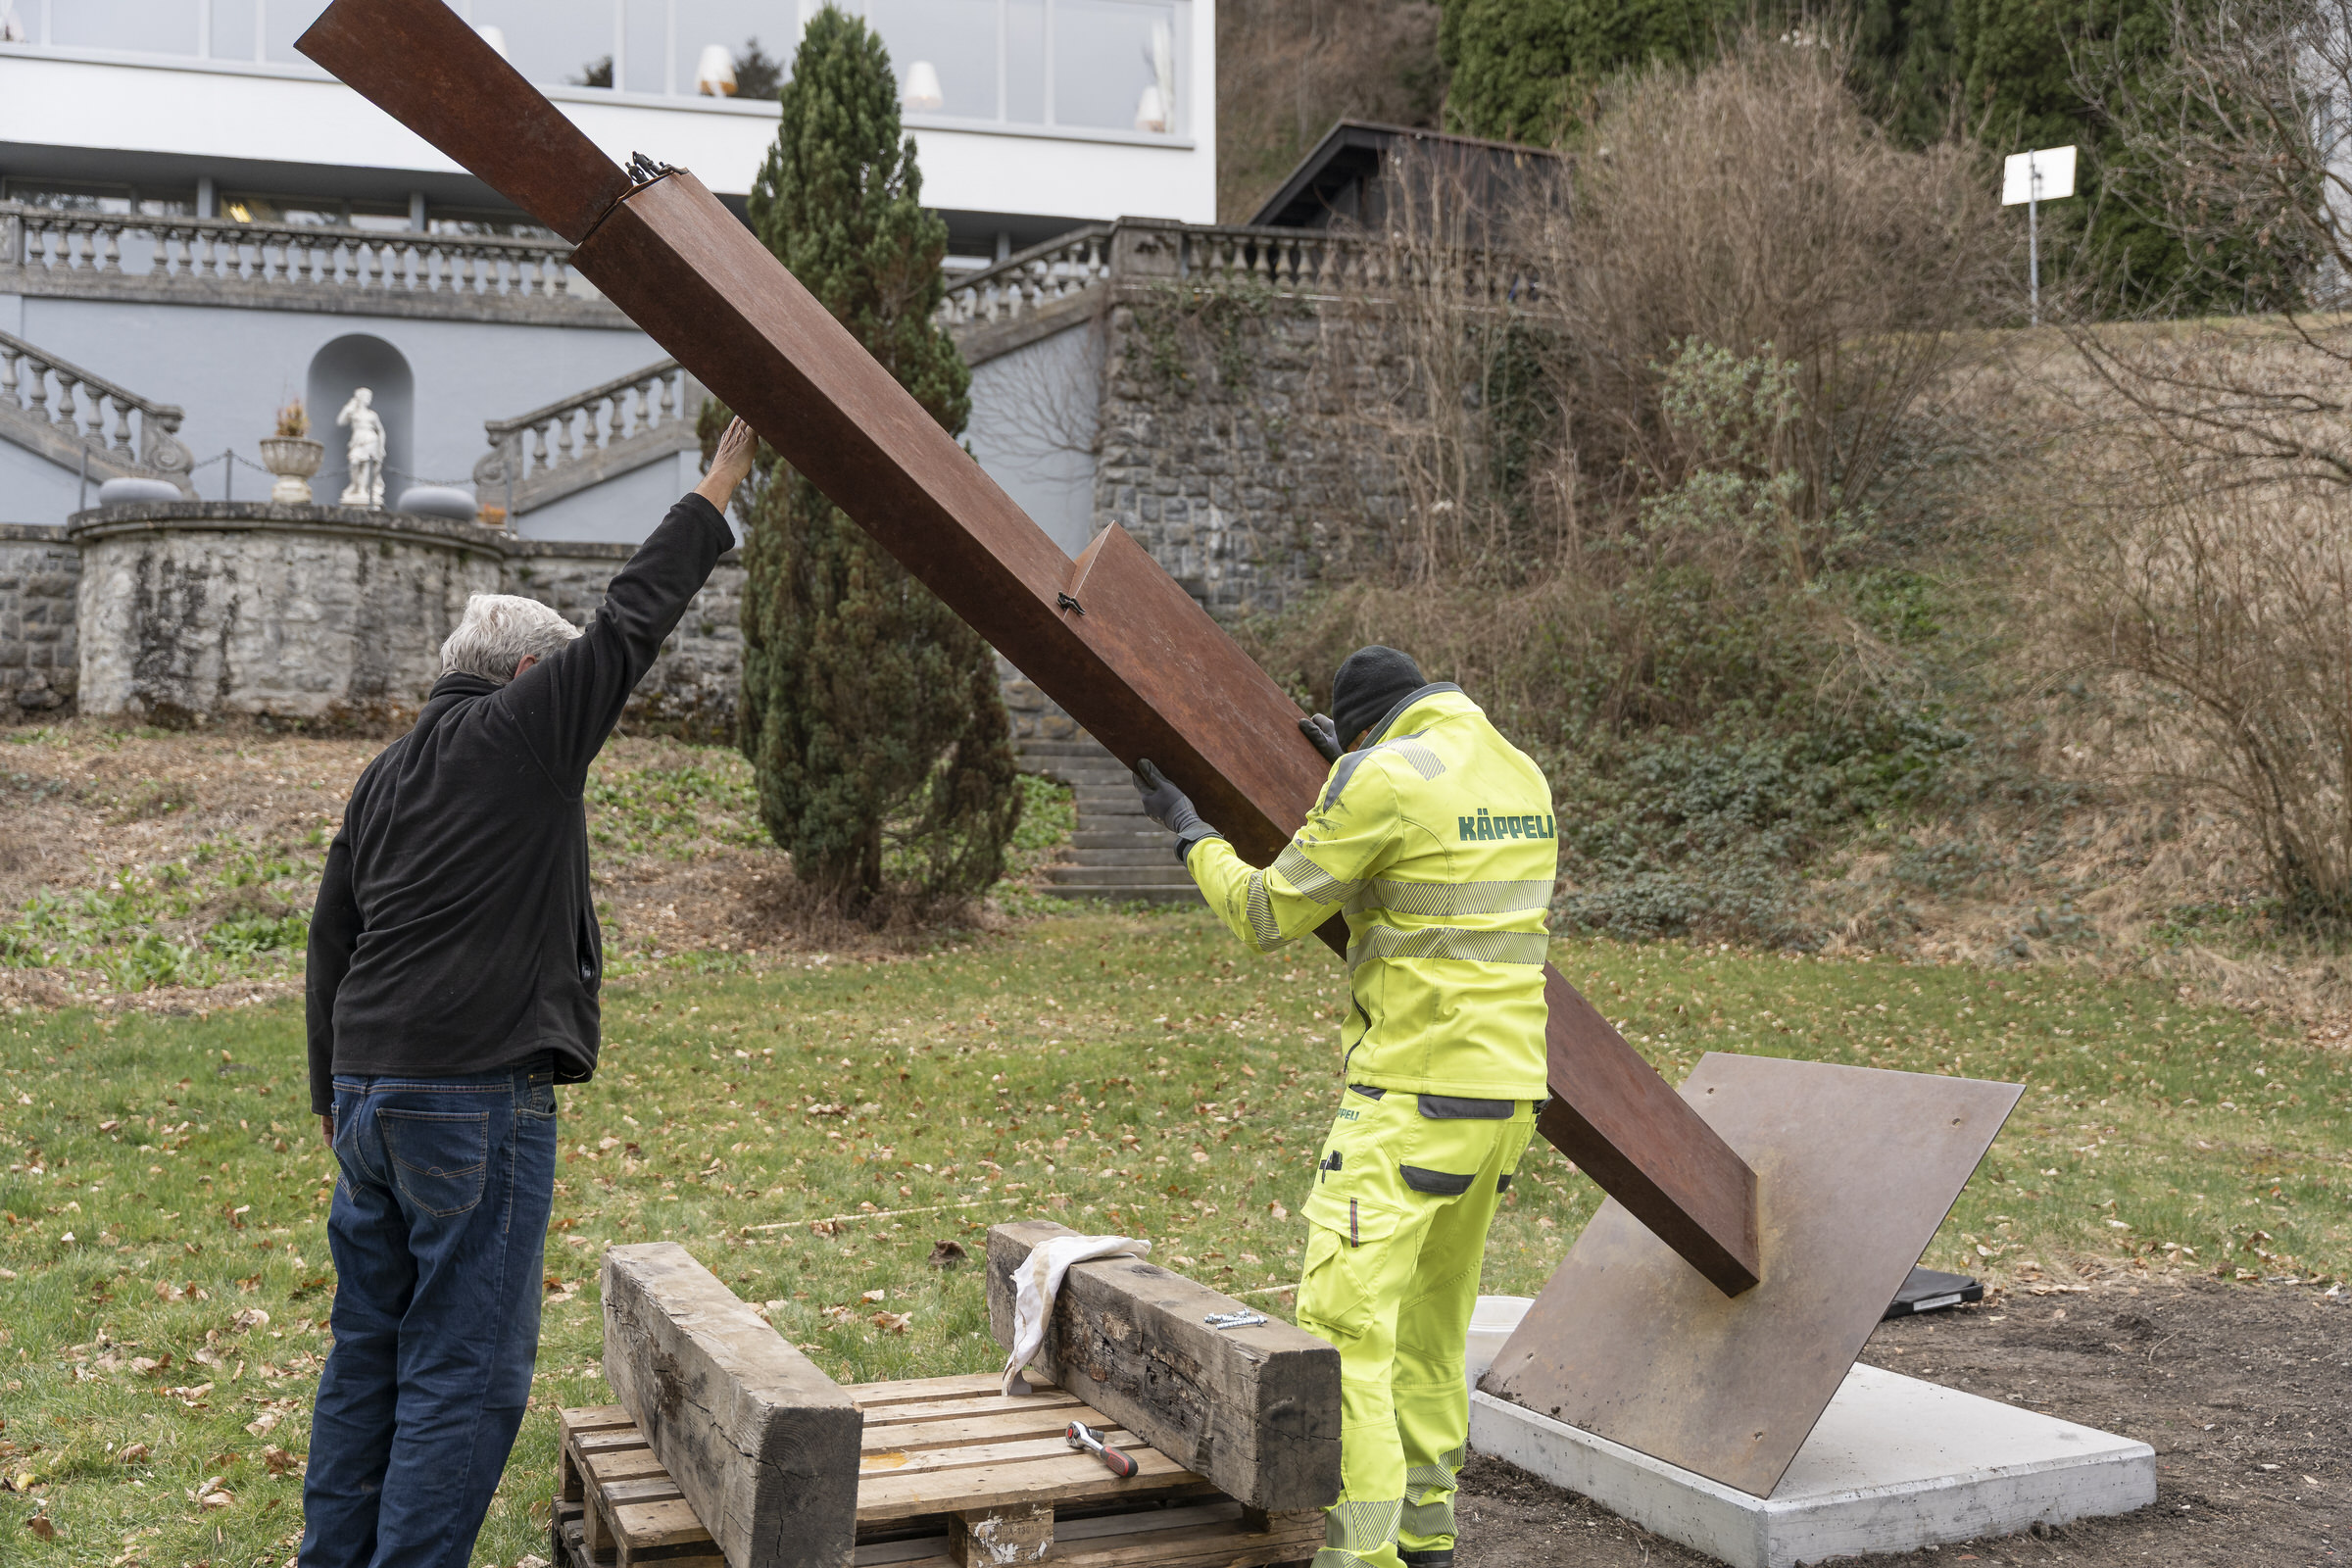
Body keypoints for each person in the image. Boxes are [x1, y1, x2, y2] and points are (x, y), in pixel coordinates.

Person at [299, 418, 760, 1568]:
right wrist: (721, 481)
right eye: (557, 675)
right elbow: (633, 620)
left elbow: (329, 934)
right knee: (463, 1364)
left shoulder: (384, 773)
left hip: (368, 1096)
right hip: (471, 1100)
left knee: (368, 1348)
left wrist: (329, 1090)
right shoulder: (527, 729)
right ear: (524, 671)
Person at [1132, 646, 1555, 1568]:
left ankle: (1360, 1556)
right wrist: (1353, 770)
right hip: (1507, 1098)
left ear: (1361, 732)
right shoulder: (1516, 768)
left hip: (1409, 1103)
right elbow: (1432, 855)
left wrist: (1188, 834)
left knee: (1346, 1336)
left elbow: (1264, 915)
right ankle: (1428, 1535)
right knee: (1433, 1330)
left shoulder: (1380, 780)